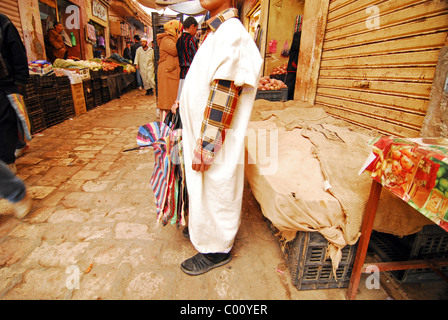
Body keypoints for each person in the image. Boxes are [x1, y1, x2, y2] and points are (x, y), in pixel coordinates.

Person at [176, 0, 263, 275]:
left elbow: (224, 92)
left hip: (214, 138)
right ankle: (204, 228)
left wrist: (207, 145)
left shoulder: (232, 33)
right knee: (204, 186)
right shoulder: (217, 31)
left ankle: (216, 250)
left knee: (217, 185)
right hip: (205, 134)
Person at [0, 13, 29, 175]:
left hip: (5, 84)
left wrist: (19, 82)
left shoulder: (3, 23)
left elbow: (17, 52)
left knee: (6, 122)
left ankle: (7, 161)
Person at [156, 19, 182, 120]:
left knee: (170, 102)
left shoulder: (169, 39)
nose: (179, 33)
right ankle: (165, 129)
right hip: (167, 74)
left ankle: (169, 128)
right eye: (178, 31)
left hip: (170, 73)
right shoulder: (166, 39)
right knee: (166, 103)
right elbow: (175, 50)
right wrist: (180, 39)